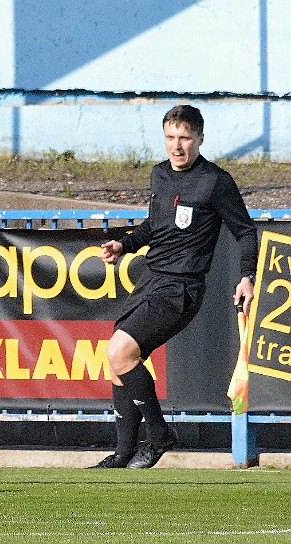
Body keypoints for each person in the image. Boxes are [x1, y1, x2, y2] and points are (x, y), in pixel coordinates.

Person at [93, 105, 258, 469]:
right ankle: (123, 455)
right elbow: (156, 225)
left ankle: (159, 434)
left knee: (120, 354)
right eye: (170, 137)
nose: (177, 146)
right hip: (151, 280)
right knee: (118, 361)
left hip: (181, 288)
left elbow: (245, 232)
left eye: (184, 138)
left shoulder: (215, 182)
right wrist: (125, 244)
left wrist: (247, 276)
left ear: (200, 138)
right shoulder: (160, 175)